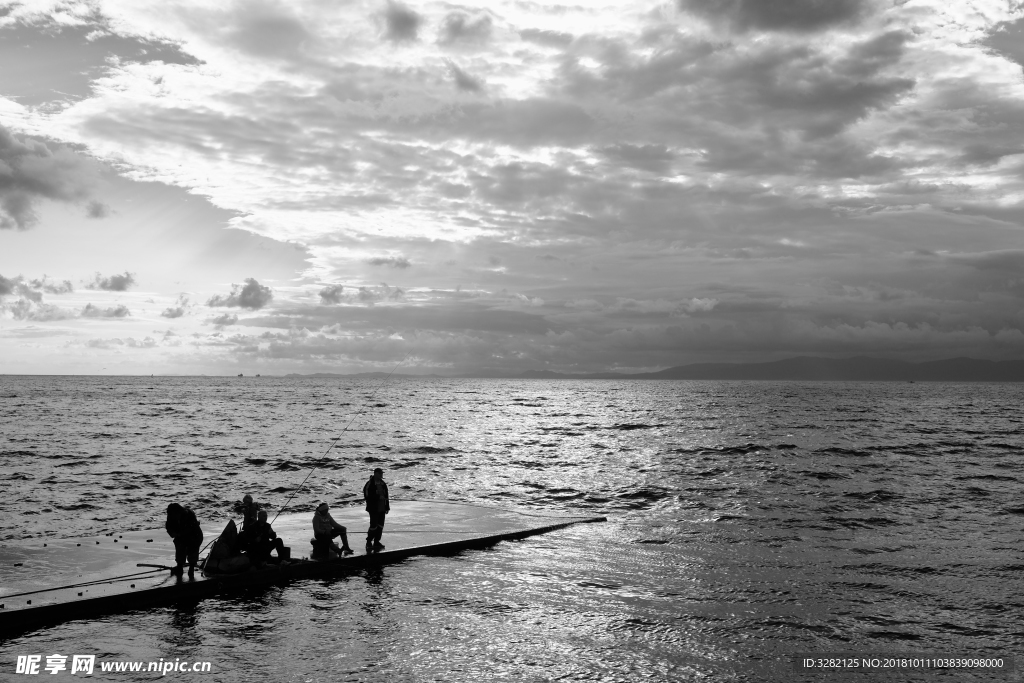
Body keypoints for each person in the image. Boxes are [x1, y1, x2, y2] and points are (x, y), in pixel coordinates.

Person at [165, 503, 203, 578]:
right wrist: (173, 533)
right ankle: (179, 566)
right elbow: (168, 526)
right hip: (180, 537)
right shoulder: (170, 517)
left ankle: (191, 568)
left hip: (194, 536)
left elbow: (192, 529)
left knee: (192, 551)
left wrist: (179, 534)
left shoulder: (189, 515)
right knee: (179, 548)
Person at [362, 467, 390, 551]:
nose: (381, 475)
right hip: (373, 508)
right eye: (380, 473)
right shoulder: (369, 484)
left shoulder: (383, 484)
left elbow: (386, 496)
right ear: (375, 474)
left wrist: (387, 507)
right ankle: (369, 541)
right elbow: (367, 496)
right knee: (373, 526)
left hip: (382, 508)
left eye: (382, 473)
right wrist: (377, 497)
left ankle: (377, 541)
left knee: (380, 525)